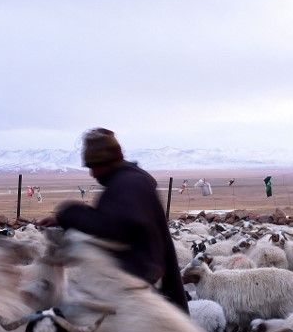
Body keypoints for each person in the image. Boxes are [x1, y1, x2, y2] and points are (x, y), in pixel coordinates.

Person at [45, 128, 188, 312]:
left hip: (136, 286)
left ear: (109, 161)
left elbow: (110, 226)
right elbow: (115, 217)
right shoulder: (132, 180)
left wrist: (68, 212)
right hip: (146, 278)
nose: (93, 174)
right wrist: (61, 219)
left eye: (94, 166)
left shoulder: (127, 185)